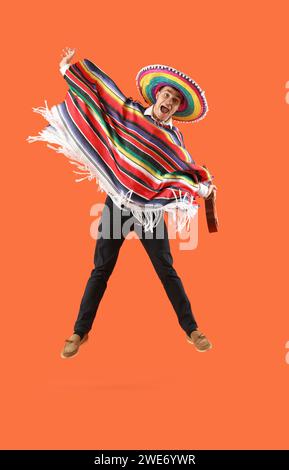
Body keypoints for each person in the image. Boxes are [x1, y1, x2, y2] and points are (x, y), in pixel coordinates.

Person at [29, 47, 217, 358]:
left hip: (148, 214)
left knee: (166, 270)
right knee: (101, 268)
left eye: (175, 102)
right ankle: (78, 332)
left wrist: (204, 187)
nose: (169, 103)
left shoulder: (174, 141)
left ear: (177, 109)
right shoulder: (128, 112)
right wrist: (68, 71)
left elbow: (186, 172)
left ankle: (192, 329)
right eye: (167, 95)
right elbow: (101, 97)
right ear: (156, 94)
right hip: (117, 204)